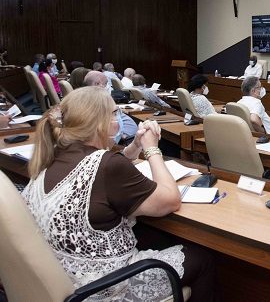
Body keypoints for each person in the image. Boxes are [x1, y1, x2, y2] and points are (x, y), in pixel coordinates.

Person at [21, 87, 216, 301]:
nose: (119, 118)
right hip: (107, 288)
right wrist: (151, 148)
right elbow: (170, 200)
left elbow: (107, 171)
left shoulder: (50, 158)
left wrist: (134, 146)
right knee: (203, 258)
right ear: (99, 123)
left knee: (156, 237)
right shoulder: (107, 165)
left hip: (69, 280)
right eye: (115, 113)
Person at [84, 71, 138, 144]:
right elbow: (111, 136)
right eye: (106, 83)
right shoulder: (98, 103)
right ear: (97, 84)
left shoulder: (85, 98)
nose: (109, 86)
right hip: (125, 142)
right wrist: (122, 137)